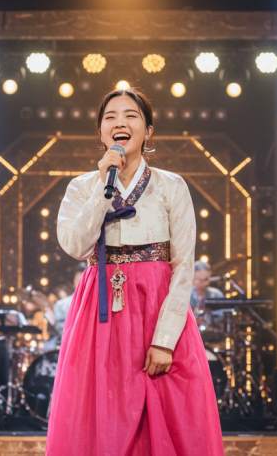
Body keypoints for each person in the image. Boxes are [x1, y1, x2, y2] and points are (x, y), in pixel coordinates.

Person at [46, 88, 223, 455]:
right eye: (110, 117)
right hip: (100, 315)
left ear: (148, 131)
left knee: (169, 417)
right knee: (100, 416)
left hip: (157, 309)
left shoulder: (171, 186)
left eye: (131, 115)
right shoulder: (82, 187)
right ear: (100, 132)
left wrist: (165, 339)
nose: (120, 123)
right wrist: (103, 187)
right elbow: (75, 245)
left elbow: (183, 266)